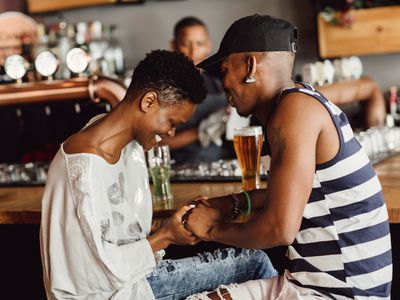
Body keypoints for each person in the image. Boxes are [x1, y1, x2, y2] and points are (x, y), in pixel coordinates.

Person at [40, 50, 276, 300]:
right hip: (113, 294)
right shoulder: (83, 170)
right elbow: (91, 275)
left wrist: (169, 227)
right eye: (172, 123)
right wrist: (165, 237)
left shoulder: (123, 141)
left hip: (135, 280)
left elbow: (118, 234)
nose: (172, 134)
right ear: (149, 101)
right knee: (255, 264)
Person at [185, 15, 392, 299]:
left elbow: (278, 228)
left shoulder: (294, 112)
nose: (223, 85)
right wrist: (229, 203)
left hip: (340, 293)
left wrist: (209, 228)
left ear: (250, 66)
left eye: (224, 70)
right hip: (311, 282)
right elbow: (294, 193)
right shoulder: (298, 101)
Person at [163, 16, 229, 165]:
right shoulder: (165, 88)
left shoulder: (219, 83)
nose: (193, 51)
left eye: (199, 44)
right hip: (179, 169)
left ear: (209, 46)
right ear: (174, 45)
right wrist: (200, 132)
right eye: (186, 44)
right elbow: (157, 144)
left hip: (217, 166)